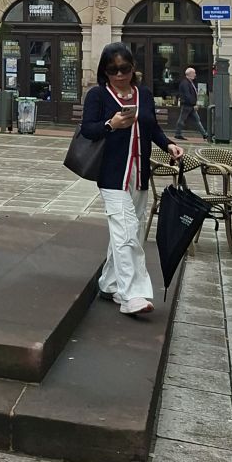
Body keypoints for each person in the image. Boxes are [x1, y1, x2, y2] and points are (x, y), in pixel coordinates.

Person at [80, 43, 184, 318]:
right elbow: (87, 130)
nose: (119, 75)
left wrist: (169, 145)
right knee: (126, 230)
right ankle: (132, 295)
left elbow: (152, 128)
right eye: (112, 70)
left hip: (139, 174)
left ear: (133, 68)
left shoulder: (144, 94)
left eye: (124, 69)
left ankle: (109, 283)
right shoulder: (98, 95)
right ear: (104, 71)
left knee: (132, 231)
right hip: (111, 175)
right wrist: (110, 124)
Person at [175, 66, 208, 140]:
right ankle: (178, 134)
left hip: (190, 105)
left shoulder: (189, 82)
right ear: (189, 74)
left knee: (197, 120)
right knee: (182, 120)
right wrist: (193, 104)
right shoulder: (185, 83)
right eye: (194, 73)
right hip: (187, 105)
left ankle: (204, 134)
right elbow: (187, 95)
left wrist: (194, 104)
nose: (195, 75)